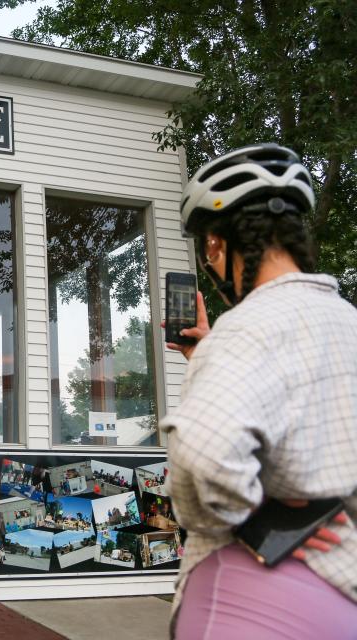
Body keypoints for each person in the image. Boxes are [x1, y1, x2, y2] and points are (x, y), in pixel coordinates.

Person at [160, 144, 357, 637]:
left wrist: (270, 519)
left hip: (253, 594)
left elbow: (202, 457)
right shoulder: (349, 321)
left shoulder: (244, 329)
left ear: (216, 245)